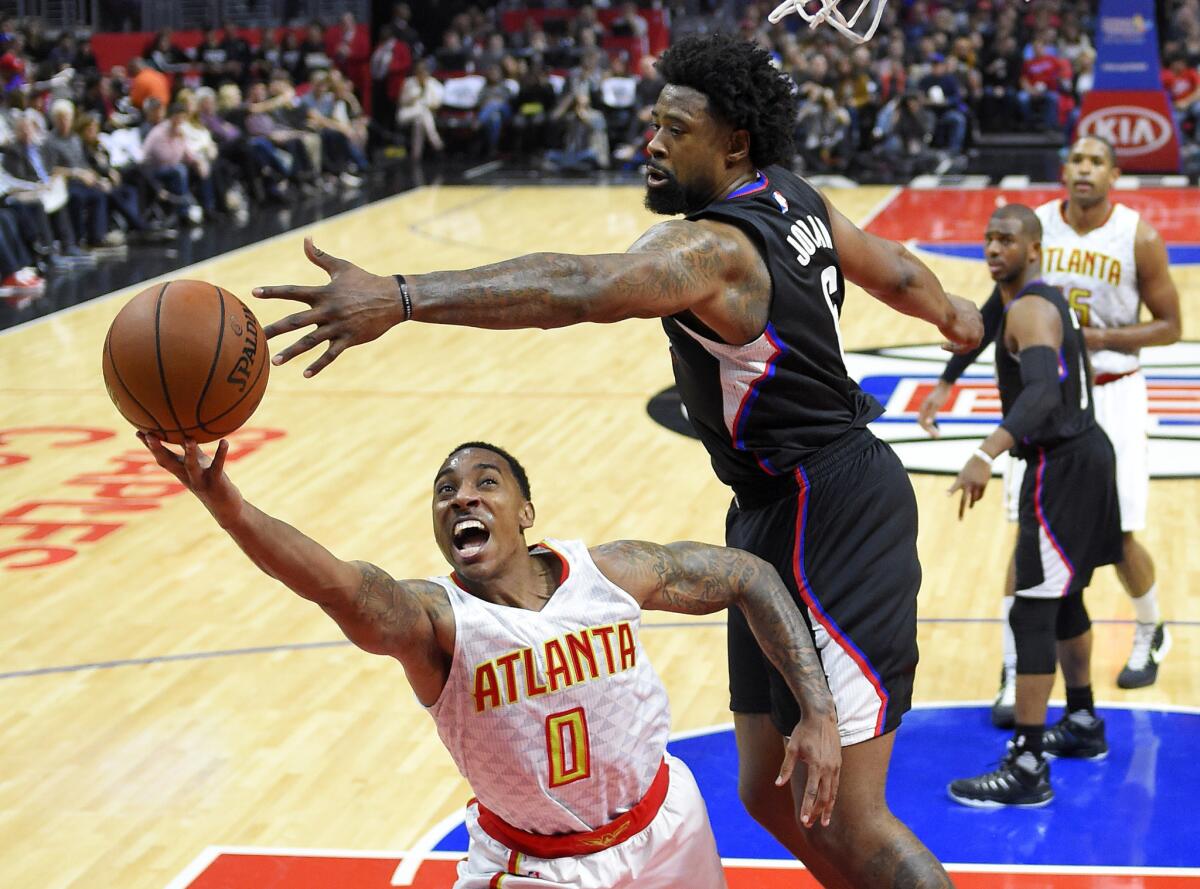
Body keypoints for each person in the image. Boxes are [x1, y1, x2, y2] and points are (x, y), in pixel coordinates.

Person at [254, 35, 982, 888]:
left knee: (853, 815)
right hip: (771, 508)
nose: (653, 141)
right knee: (770, 790)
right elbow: (892, 268)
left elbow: (580, 289)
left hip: (833, 507)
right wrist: (951, 312)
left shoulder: (714, 251)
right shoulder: (795, 198)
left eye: (676, 128)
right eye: (654, 123)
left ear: (734, 143)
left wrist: (405, 296)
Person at [138, 435, 841, 888]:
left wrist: (815, 708)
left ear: (525, 511)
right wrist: (228, 506)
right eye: (446, 491)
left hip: (665, 828)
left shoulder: (608, 573)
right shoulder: (436, 623)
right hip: (538, 868)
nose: (462, 495)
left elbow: (748, 574)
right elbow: (336, 582)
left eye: (485, 482)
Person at [919, 136, 1182, 724]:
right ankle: (1018, 667)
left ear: (1114, 174)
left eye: (1096, 162)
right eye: (1078, 160)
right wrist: (946, 379)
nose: (1084, 170)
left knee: (1119, 536)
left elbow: (1170, 326)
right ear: (1064, 171)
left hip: (1111, 390)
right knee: (1026, 536)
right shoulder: (1031, 227)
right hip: (1052, 396)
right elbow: (993, 311)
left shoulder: (1138, 236)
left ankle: (1149, 628)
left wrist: (1101, 339)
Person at [945, 205, 1122, 808]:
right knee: (1063, 595)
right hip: (1083, 458)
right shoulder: (1028, 300)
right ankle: (1081, 721)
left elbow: (1044, 391)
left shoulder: (1031, 309)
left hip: (1061, 468)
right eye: (988, 237)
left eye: (1007, 239)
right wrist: (948, 376)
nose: (994, 247)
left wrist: (986, 451)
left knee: (1032, 610)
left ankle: (1026, 763)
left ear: (1035, 247)